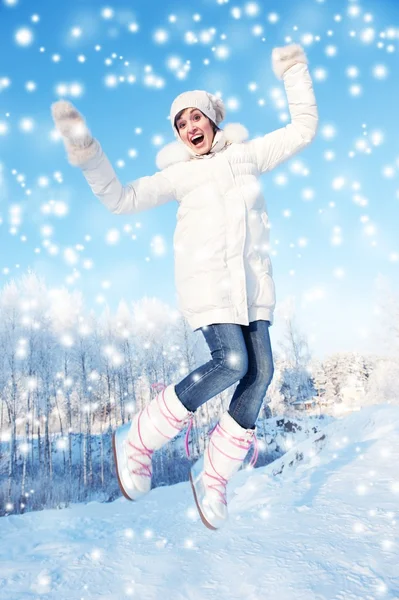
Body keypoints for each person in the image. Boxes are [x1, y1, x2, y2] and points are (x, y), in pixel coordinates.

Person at [51, 43, 318, 530]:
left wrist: (294, 71)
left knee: (260, 375)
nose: (189, 127)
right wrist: (88, 152)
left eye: (196, 116)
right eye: (180, 123)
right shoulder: (179, 176)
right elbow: (121, 198)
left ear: (214, 119)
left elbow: (304, 129)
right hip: (210, 285)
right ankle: (138, 439)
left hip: (253, 288)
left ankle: (213, 478)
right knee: (232, 362)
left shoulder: (248, 157)